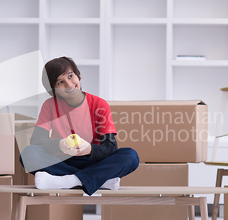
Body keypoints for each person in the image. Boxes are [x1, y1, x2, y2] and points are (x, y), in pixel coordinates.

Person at [19, 56, 139, 196]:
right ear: (53, 89)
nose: (69, 84)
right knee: (27, 154)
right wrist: (60, 145)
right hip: (62, 160)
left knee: (131, 156)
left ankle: (68, 181)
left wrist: (89, 149)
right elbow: (37, 140)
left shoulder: (99, 104)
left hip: (93, 161)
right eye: (60, 82)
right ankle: (97, 180)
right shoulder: (50, 105)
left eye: (70, 76)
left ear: (79, 75)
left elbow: (110, 147)